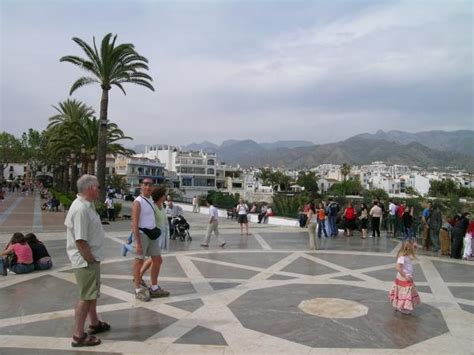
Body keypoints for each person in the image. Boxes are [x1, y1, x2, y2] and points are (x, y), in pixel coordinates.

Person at [64, 175, 109, 347]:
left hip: (90, 258)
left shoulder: (86, 206)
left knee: (91, 294)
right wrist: (90, 260)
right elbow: (80, 240)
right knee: (86, 297)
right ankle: (78, 335)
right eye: (98, 187)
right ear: (90, 188)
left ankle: (95, 323)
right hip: (85, 260)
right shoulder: (81, 209)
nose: (99, 189)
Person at [131, 178, 170, 302]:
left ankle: (154, 287)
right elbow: (134, 223)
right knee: (139, 261)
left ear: (152, 188)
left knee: (157, 260)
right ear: (141, 186)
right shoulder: (138, 202)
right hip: (142, 234)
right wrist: (137, 242)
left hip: (152, 235)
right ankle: (138, 289)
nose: (147, 187)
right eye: (145, 184)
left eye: (150, 185)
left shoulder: (151, 200)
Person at [389, 241, 421, 315]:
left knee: (403, 292)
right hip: (403, 277)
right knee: (405, 292)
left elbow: (413, 254)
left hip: (406, 276)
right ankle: (402, 307)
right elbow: (398, 267)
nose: (412, 250)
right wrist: (405, 275)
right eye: (411, 248)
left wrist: (416, 247)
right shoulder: (402, 256)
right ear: (407, 248)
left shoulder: (406, 255)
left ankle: (399, 305)